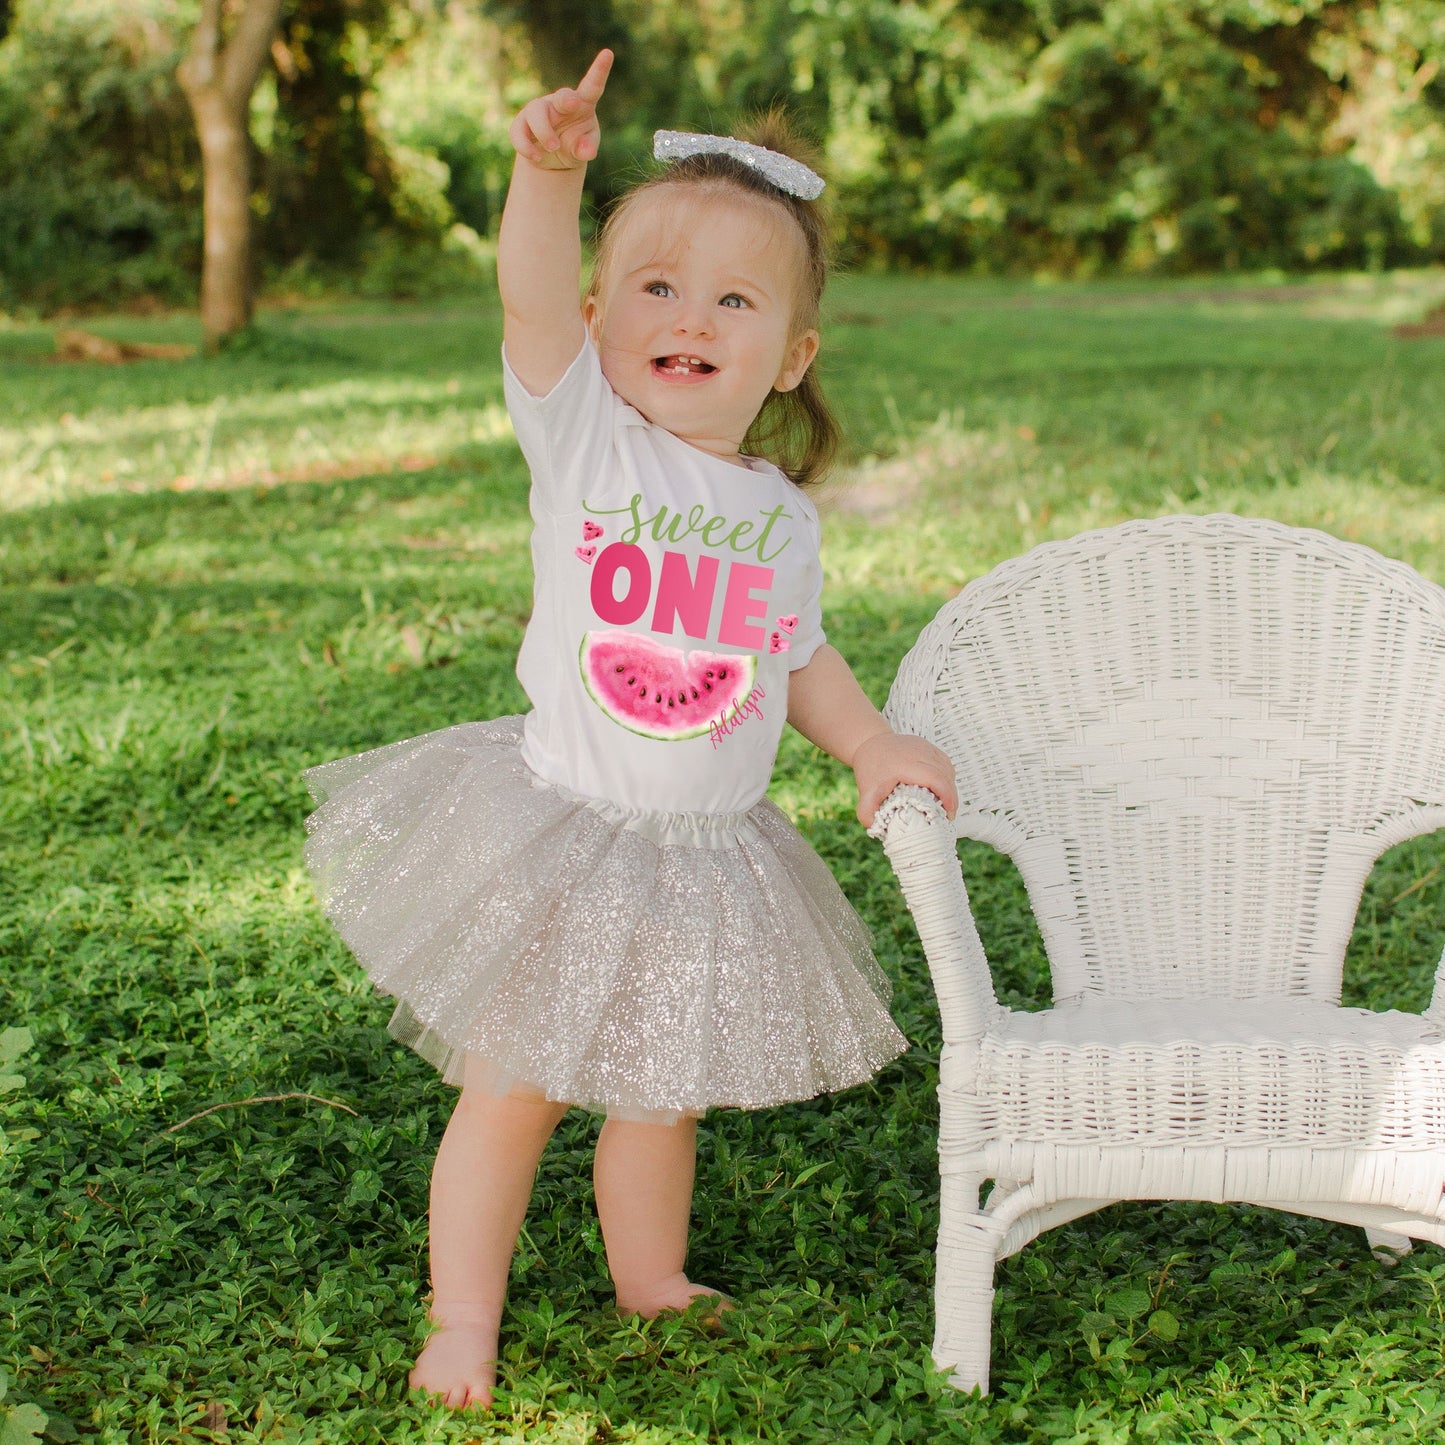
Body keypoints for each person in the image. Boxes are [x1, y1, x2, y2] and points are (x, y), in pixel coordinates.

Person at [301, 47, 957, 1412]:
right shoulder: (585, 435)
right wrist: (548, 177)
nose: (691, 316)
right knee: (516, 1089)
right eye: (655, 286)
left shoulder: (779, 513)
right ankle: (462, 1319)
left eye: (734, 297)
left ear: (791, 354)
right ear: (600, 315)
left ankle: (647, 1275)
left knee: (661, 1096)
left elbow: (795, 657)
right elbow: (524, 297)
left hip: (703, 851)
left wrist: (870, 742)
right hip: (563, 831)